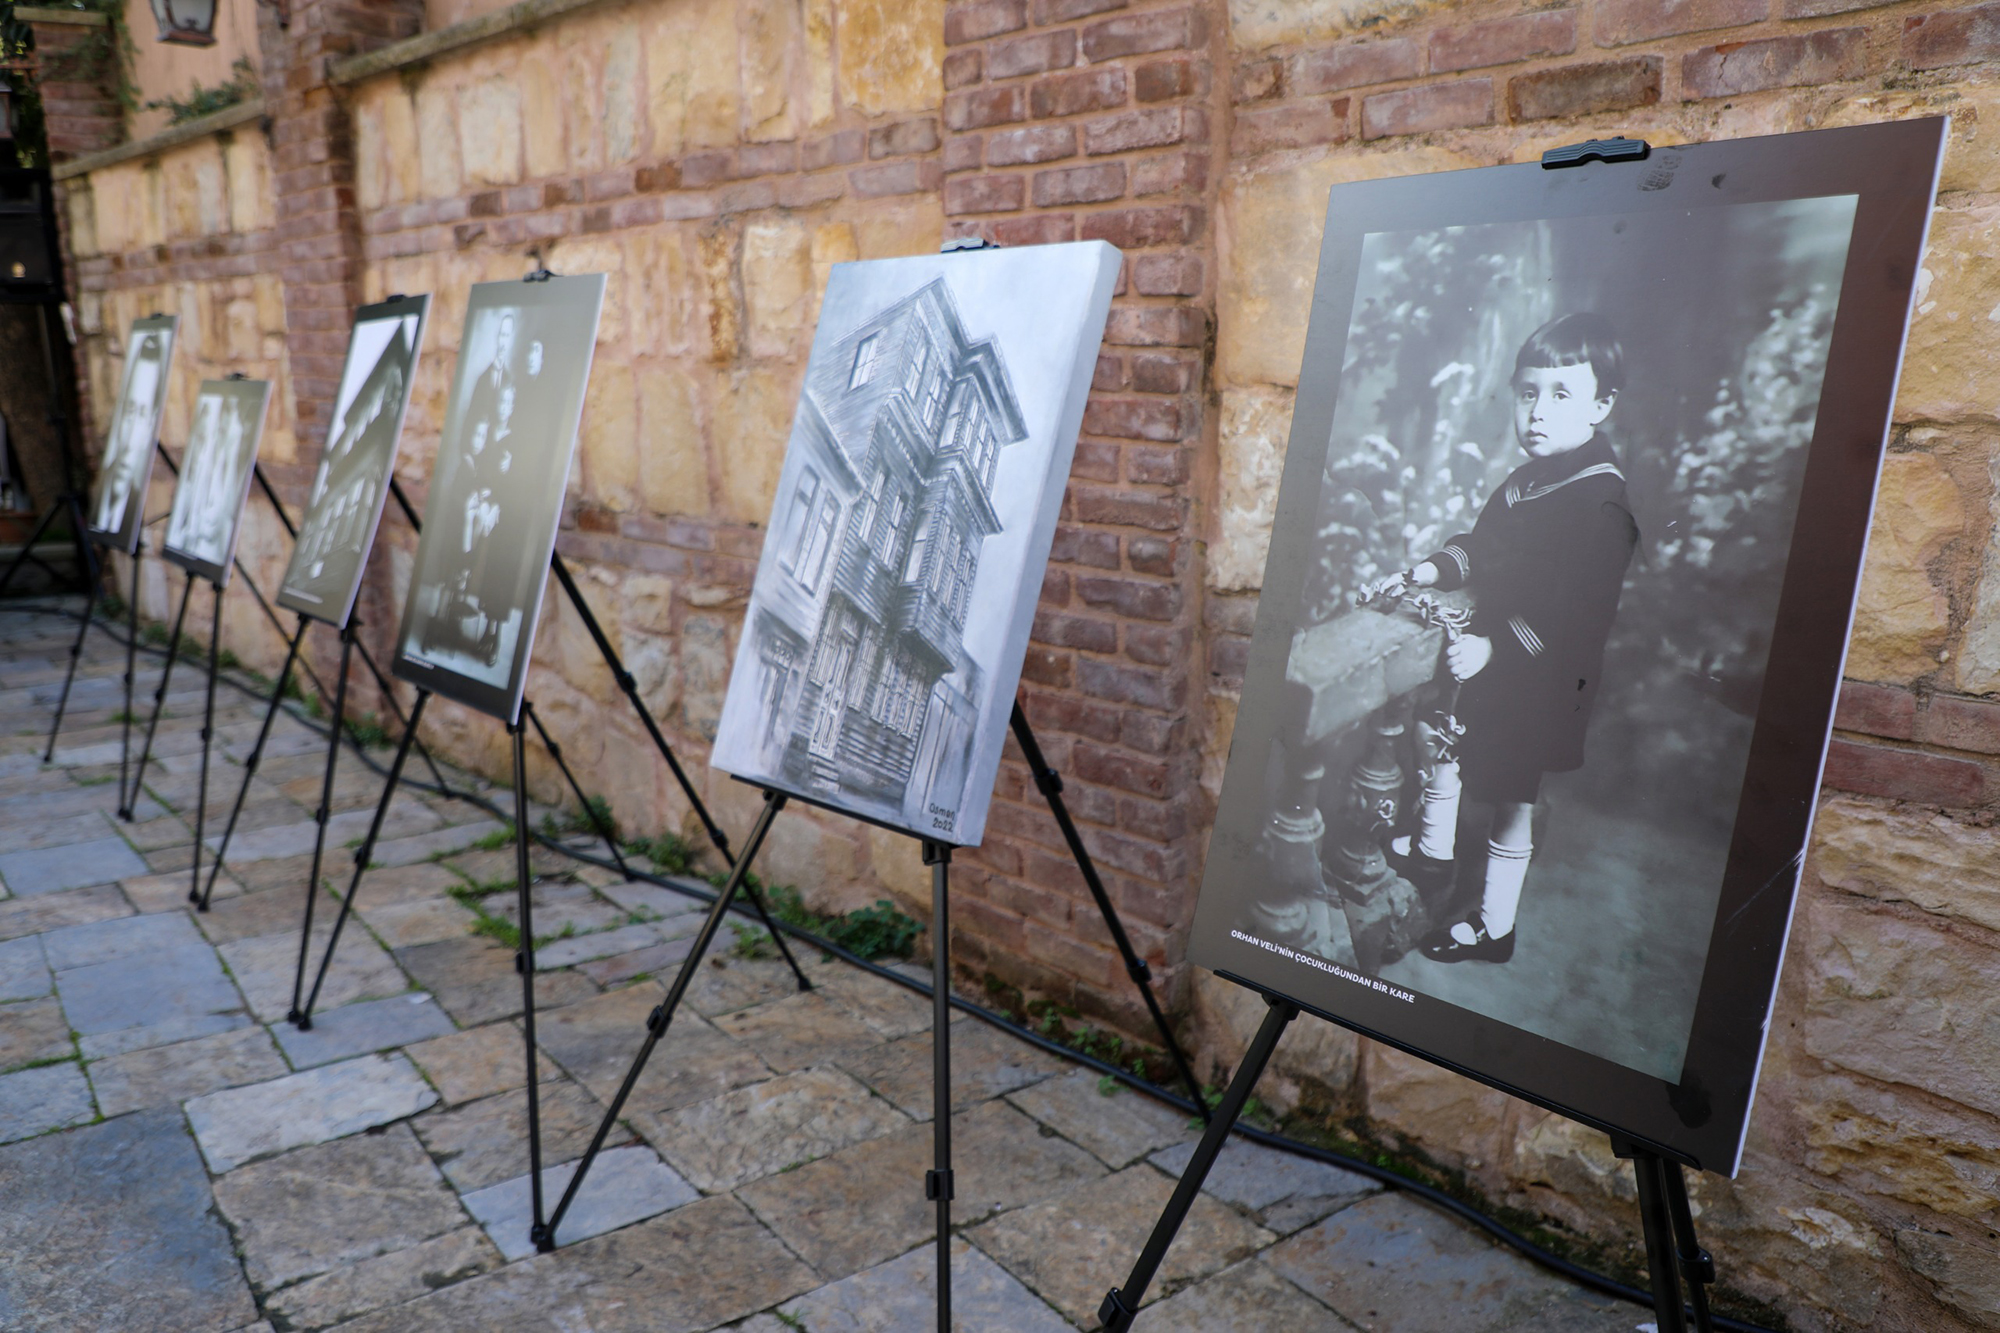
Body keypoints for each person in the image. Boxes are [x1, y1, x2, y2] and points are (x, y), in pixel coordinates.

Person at [1366, 313, 1639, 964]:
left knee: (1513, 798)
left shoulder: (1601, 504)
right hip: (1493, 660)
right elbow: (1481, 548)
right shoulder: (1524, 483)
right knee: (1446, 742)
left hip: (1546, 677)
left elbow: (1578, 618)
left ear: (1602, 405)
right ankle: (1433, 851)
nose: (1538, 412)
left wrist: (1496, 648)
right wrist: (1424, 571)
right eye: (1527, 393)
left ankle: (1494, 927)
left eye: (1561, 394)